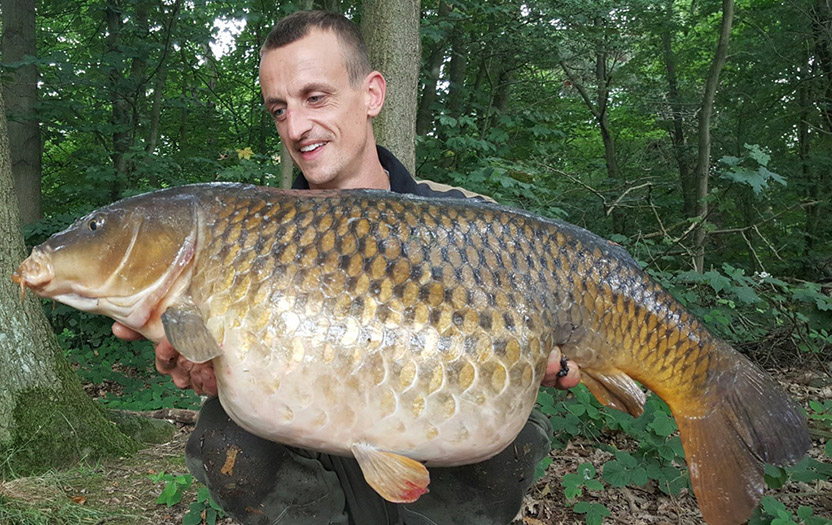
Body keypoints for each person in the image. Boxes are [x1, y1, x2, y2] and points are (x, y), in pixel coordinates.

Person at [113, 10, 581, 525]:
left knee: (512, 442)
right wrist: (211, 368)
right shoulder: (249, 237)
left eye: (315, 97)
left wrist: (558, 352)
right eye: (279, 109)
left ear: (373, 94)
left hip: (443, 444)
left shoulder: (467, 222)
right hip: (316, 450)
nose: (296, 127)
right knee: (225, 439)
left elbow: (561, 327)